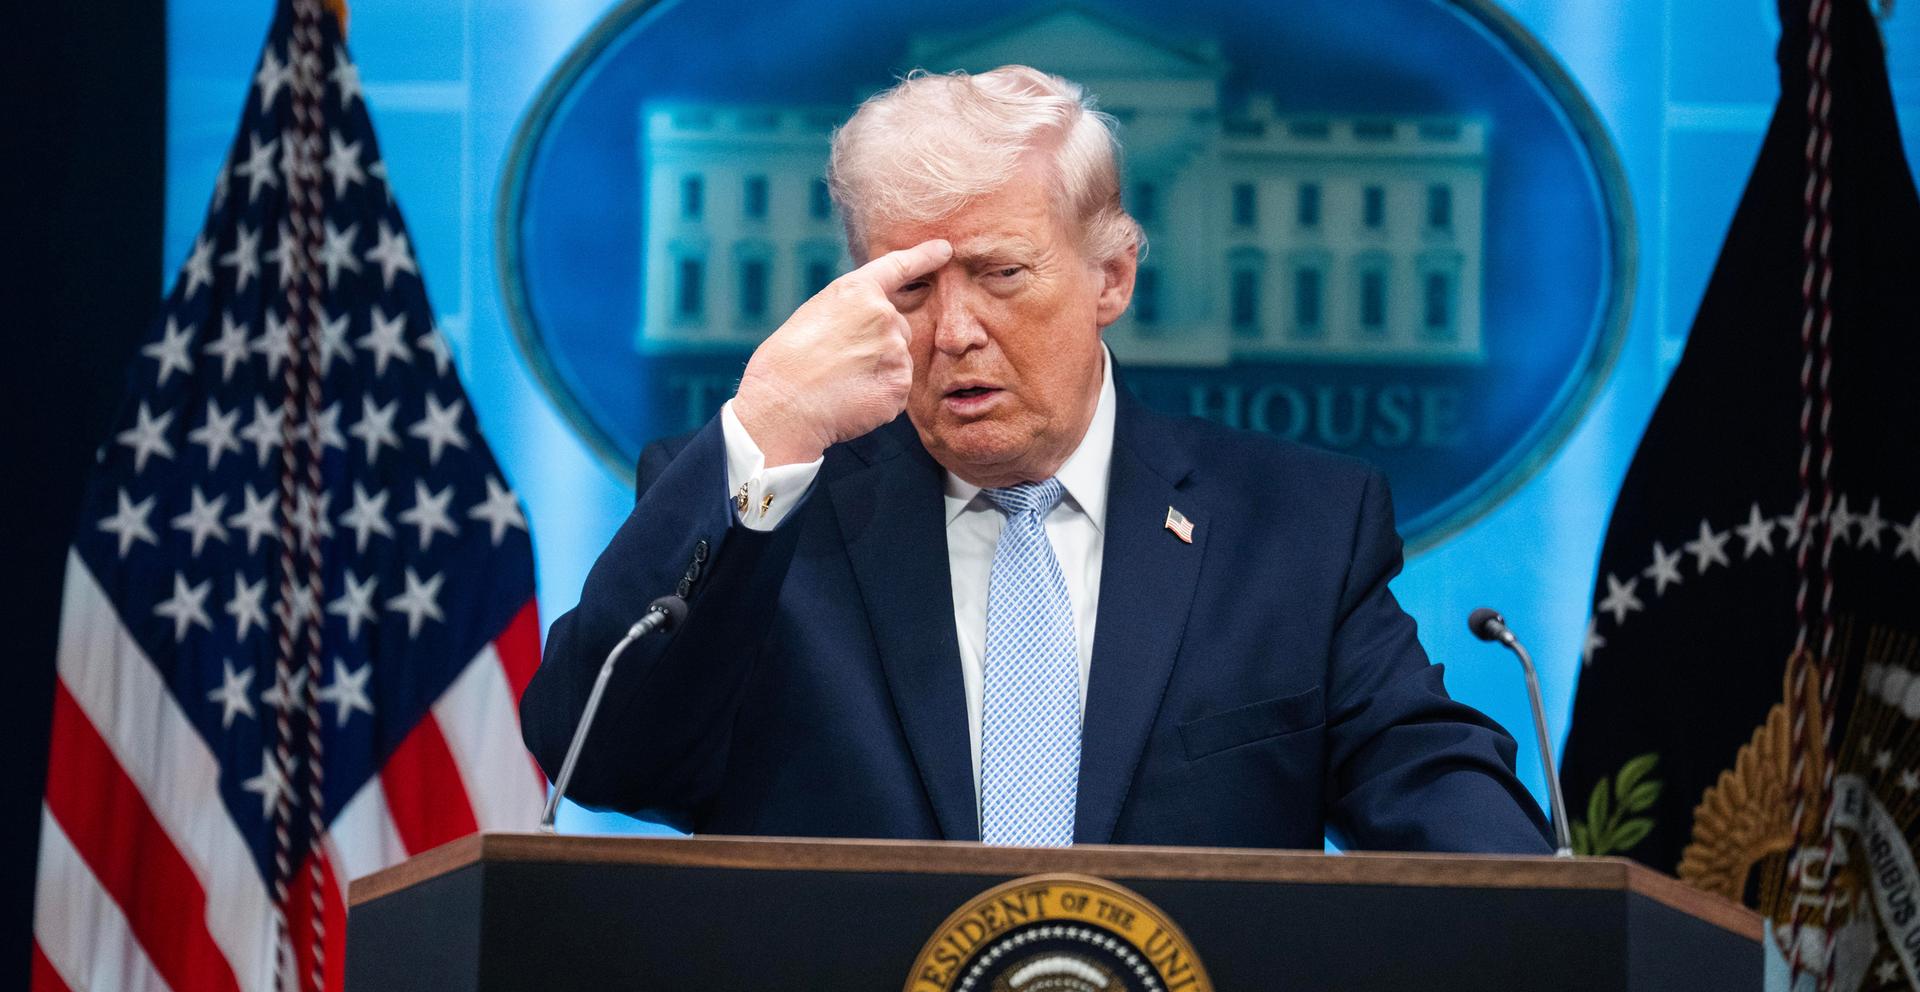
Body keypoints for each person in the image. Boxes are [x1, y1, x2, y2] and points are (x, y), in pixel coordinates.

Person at [520, 66, 1550, 853]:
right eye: (912, 288)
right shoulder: (768, 512)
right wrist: (765, 431)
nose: (956, 331)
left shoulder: (1297, 529)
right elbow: (596, 755)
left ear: (1112, 276)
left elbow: (1430, 784)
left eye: (1001, 274)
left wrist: (1553, 907)